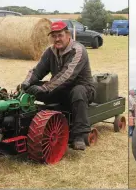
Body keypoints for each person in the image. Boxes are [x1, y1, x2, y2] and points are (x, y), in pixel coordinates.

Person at [20, 21, 96, 151]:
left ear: (67, 35)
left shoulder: (78, 50)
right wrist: (26, 83)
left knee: (77, 91)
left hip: (83, 88)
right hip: (61, 89)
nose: (57, 39)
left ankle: (79, 135)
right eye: (54, 36)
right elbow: (38, 70)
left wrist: (44, 89)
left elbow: (67, 74)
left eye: (60, 35)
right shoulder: (50, 51)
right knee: (33, 86)